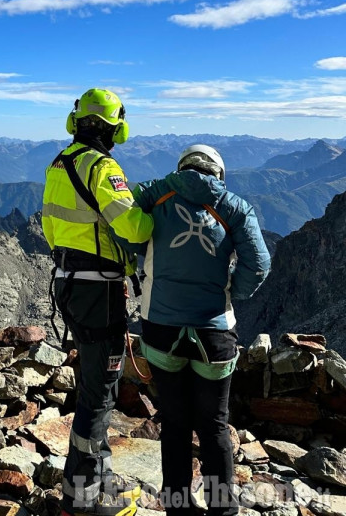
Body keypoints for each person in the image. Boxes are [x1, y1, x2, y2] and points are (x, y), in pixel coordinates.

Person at [132, 144, 271, 516]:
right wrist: (229, 292)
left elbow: (124, 229)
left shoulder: (153, 194)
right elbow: (258, 264)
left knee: (174, 422)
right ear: (218, 173)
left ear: (182, 168)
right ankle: (222, 509)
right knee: (213, 426)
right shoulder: (235, 207)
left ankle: (177, 507)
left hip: (160, 329)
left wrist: (141, 270)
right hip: (215, 333)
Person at [42, 88, 154, 516]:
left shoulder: (59, 163)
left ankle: (93, 479)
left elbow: (52, 229)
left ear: (77, 122)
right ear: (115, 127)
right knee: (100, 392)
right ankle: (85, 499)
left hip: (69, 285)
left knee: (94, 383)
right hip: (98, 291)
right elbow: (133, 227)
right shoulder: (102, 166)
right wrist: (151, 214)